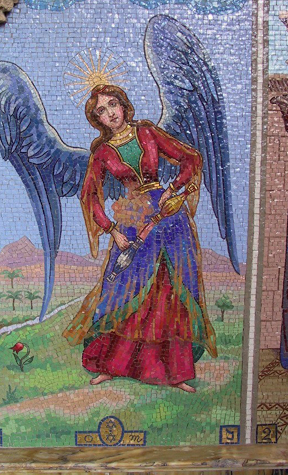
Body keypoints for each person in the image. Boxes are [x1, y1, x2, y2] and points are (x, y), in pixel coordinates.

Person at [63, 84, 217, 392]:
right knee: (122, 290)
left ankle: (175, 371)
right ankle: (111, 365)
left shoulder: (146, 132)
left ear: (123, 105)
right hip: (133, 223)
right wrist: (111, 229)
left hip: (168, 219)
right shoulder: (102, 153)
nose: (110, 113)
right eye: (101, 111)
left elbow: (190, 159)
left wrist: (173, 189)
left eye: (113, 104)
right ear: (97, 119)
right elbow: (89, 195)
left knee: (171, 288)